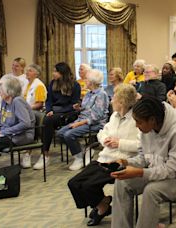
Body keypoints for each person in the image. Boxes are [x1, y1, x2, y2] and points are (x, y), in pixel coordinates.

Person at [110, 96, 176, 228]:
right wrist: (126, 162)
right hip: (163, 172)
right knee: (122, 183)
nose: (136, 126)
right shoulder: (147, 129)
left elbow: (173, 170)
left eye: (139, 122)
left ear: (152, 120)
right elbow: (145, 158)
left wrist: (140, 172)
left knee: (152, 191)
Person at [67, 84, 139, 226]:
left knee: (87, 186)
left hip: (120, 162)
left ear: (122, 102)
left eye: (114, 98)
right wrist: (104, 139)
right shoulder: (114, 116)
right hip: (104, 157)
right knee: (74, 183)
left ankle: (101, 208)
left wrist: (120, 143)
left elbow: (142, 145)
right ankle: (103, 204)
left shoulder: (137, 119)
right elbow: (102, 132)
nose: (111, 101)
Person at [57, 69, 109, 171]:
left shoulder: (101, 94)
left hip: (96, 123)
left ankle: (79, 158)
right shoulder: (89, 93)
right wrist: (79, 108)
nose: (84, 80)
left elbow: (96, 117)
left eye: (86, 79)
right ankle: (84, 151)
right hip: (83, 120)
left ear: (92, 82)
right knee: (60, 133)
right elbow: (86, 109)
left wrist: (78, 124)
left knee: (68, 134)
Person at [33, 62, 81, 170]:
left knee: (47, 121)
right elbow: (48, 100)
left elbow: (73, 105)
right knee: (45, 120)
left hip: (69, 113)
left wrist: (56, 112)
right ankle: (44, 155)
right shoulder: (52, 83)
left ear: (62, 73)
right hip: (54, 112)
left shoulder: (75, 85)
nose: (53, 73)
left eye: (55, 71)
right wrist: (50, 110)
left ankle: (45, 155)